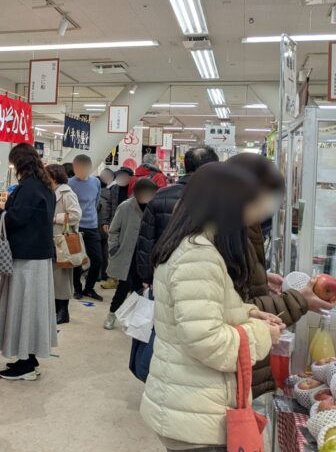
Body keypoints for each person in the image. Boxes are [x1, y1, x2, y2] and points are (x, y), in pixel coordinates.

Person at [140, 164, 282, 451]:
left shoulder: (192, 246)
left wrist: (249, 314)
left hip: (187, 401)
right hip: (195, 413)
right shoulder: (198, 256)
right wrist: (263, 334)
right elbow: (208, 342)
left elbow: (203, 310)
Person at [226, 153, 335, 397]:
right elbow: (235, 309)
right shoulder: (223, 234)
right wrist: (300, 300)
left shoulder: (243, 225)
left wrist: (260, 278)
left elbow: (235, 287)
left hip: (245, 364)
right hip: (232, 372)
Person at [0, 143, 57, 380]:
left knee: (22, 308)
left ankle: (25, 361)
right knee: (32, 309)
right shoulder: (45, 185)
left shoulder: (29, 187)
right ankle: (28, 356)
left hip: (26, 260)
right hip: (38, 257)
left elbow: (17, 219)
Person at [134, 145, 219, 286]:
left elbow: (146, 240)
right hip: (208, 275)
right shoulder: (222, 199)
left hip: (165, 272)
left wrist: (146, 276)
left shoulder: (160, 196)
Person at [104, 178, 158, 330]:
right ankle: (112, 314)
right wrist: (114, 247)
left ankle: (132, 320)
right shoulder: (126, 206)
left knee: (140, 291)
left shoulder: (154, 207)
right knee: (123, 288)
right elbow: (114, 230)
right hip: (127, 255)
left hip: (145, 256)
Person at [47, 164, 82, 324]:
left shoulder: (66, 193)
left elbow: (75, 215)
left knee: (62, 278)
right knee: (55, 278)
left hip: (62, 241)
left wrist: (54, 218)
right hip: (53, 240)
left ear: (54, 176)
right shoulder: (51, 192)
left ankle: (63, 311)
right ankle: (56, 310)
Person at [68, 154, 103, 301]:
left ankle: (89, 288)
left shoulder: (96, 182)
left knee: (98, 259)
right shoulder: (69, 183)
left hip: (92, 225)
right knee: (77, 259)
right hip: (75, 226)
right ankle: (77, 288)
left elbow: (96, 202)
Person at [99, 167, 134, 289]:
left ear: (130, 177)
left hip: (130, 225)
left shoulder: (134, 190)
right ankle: (113, 279)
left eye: (123, 175)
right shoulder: (114, 189)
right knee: (112, 250)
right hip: (115, 223)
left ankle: (126, 280)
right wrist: (105, 222)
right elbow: (108, 206)